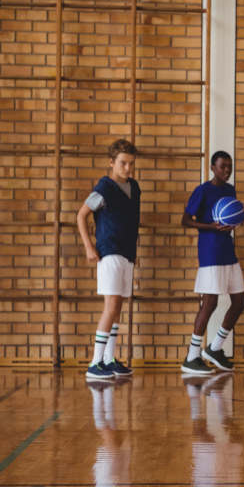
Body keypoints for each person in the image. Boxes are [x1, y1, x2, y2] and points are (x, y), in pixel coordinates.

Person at [77, 139, 141, 379]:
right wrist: (89, 247)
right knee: (111, 305)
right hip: (110, 251)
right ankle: (95, 363)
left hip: (127, 254)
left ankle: (109, 359)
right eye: (123, 163)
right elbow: (81, 216)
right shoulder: (104, 188)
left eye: (131, 164)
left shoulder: (134, 188)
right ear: (112, 163)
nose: (128, 168)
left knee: (118, 308)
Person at [180, 151, 244, 375]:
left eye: (229, 166)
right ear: (212, 167)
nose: (226, 170)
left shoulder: (230, 190)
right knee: (210, 302)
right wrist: (212, 226)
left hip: (228, 251)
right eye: (222, 167)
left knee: (239, 301)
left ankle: (215, 348)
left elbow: (235, 215)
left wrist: (235, 221)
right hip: (210, 251)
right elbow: (186, 220)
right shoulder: (203, 190)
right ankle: (191, 356)